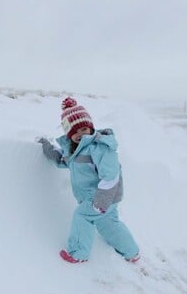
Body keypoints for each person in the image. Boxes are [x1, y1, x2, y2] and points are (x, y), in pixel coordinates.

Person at [37, 97, 140, 264]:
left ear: (90, 127)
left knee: (82, 216)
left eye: (83, 129)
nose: (80, 134)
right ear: (69, 134)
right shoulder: (77, 150)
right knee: (109, 224)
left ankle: (78, 253)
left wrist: (100, 202)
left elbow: (111, 175)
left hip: (101, 197)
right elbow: (63, 161)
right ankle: (131, 251)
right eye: (74, 132)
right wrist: (46, 146)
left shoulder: (99, 147)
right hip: (103, 199)